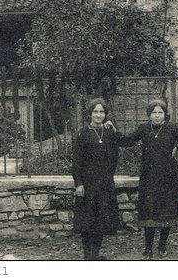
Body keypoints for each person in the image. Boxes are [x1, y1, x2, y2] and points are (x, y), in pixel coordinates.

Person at [115, 98, 178, 259]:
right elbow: (127, 141)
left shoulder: (173, 128)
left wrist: (177, 149)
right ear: (149, 115)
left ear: (165, 114)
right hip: (149, 177)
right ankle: (148, 248)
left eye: (160, 112)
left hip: (169, 177)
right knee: (149, 213)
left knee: (167, 212)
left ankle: (162, 245)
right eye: (153, 113)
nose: (157, 116)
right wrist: (112, 130)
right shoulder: (144, 129)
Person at [72, 97, 120, 260]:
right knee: (87, 221)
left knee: (100, 221)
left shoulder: (108, 132)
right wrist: (78, 183)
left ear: (105, 114)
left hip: (104, 183)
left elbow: (115, 155)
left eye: (101, 112)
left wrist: (109, 176)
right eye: (95, 112)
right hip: (87, 184)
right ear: (90, 114)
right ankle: (87, 256)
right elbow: (77, 161)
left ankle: (95, 255)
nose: (98, 115)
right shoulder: (83, 133)